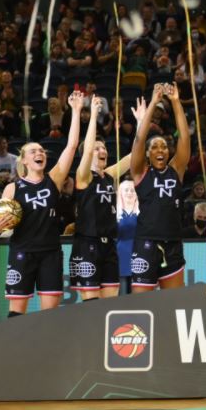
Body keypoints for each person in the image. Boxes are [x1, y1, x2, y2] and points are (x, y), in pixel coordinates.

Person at [0, 91, 84, 314]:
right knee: (16, 314)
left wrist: (77, 111)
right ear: (23, 160)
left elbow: (71, 147)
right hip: (22, 252)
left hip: (50, 252)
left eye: (42, 151)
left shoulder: (53, 180)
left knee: (49, 316)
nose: (40, 153)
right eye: (33, 151)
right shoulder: (12, 188)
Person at [129, 84, 191, 291]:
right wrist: (153, 103)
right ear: (147, 154)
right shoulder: (140, 172)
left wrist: (175, 101)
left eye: (164, 146)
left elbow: (185, 136)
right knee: (141, 307)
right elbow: (139, 140)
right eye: (154, 146)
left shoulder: (176, 170)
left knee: (174, 306)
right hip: (146, 243)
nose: (160, 149)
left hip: (173, 243)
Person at [70, 96, 131, 301]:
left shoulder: (109, 176)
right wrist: (95, 114)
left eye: (104, 148)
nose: (102, 150)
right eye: (97, 148)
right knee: (92, 305)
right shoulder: (83, 175)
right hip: (88, 244)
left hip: (109, 245)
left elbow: (131, 159)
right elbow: (86, 149)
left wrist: (142, 123)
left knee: (109, 306)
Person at [116, 180, 139, 295]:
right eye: (126, 190)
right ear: (120, 193)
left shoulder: (143, 212)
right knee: (122, 294)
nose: (130, 193)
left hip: (139, 256)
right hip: (120, 257)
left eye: (132, 190)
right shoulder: (115, 213)